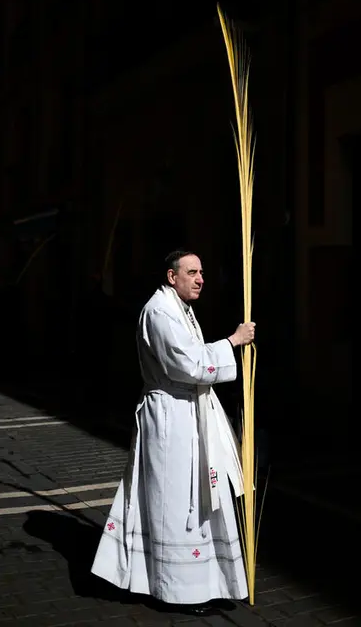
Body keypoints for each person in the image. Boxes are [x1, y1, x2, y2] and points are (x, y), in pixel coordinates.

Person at [91, 250, 257, 616]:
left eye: (202, 272)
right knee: (176, 502)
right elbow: (188, 364)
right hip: (171, 418)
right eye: (192, 272)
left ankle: (204, 582)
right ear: (171, 276)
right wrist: (232, 341)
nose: (200, 279)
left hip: (188, 413)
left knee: (197, 497)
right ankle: (178, 590)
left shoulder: (179, 307)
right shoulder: (159, 311)